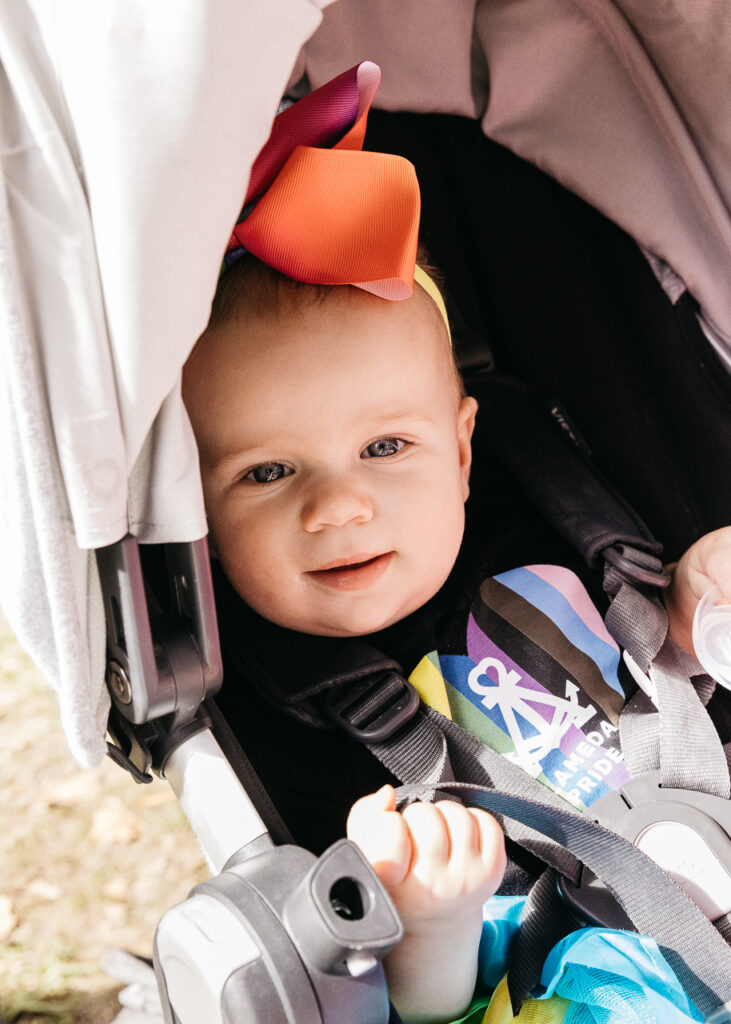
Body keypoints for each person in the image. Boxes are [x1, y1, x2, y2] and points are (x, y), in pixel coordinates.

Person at [182, 250, 731, 1023]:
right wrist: (434, 928)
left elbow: (661, 669)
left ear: (463, 448)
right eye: (268, 471)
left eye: (384, 448)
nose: (339, 506)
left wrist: (686, 602)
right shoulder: (280, 727)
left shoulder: (560, 535)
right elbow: (411, 1008)